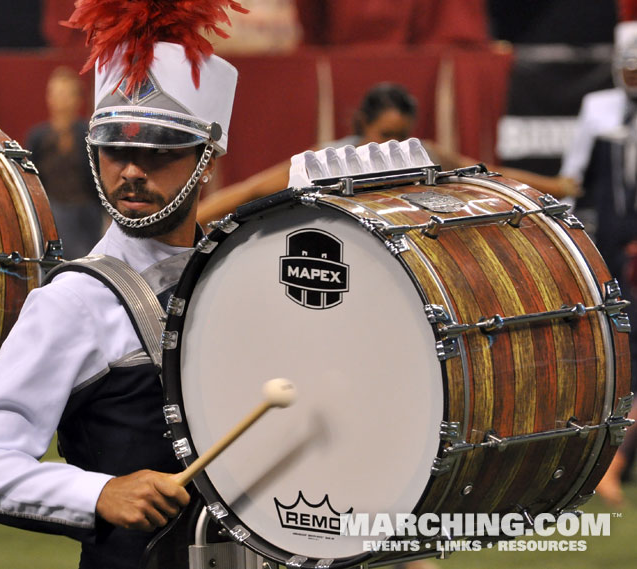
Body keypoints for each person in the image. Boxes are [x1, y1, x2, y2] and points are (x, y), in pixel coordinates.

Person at [0, 1, 243, 568]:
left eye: (158, 152)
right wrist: (97, 493)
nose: (131, 170)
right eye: (115, 150)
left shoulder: (244, 280)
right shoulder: (74, 302)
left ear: (207, 160)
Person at [198, 82, 579, 226]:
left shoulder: (421, 155)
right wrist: (191, 222)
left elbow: (486, 171)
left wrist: (556, 186)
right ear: (364, 123)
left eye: (401, 135)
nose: (390, 145)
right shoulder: (328, 158)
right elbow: (252, 190)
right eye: (384, 134)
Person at [561, 20, 637, 508]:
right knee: (620, 355)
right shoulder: (599, 109)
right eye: (630, 70)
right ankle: (606, 465)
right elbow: (571, 178)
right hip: (614, 248)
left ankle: (616, 465)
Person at [26, 67, 102, 259]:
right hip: (53, 213)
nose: (61, 100)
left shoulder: (90, 135)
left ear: (78, 99)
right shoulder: (38, 137)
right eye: (57, 94)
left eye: (67, 94)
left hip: (87, 215)